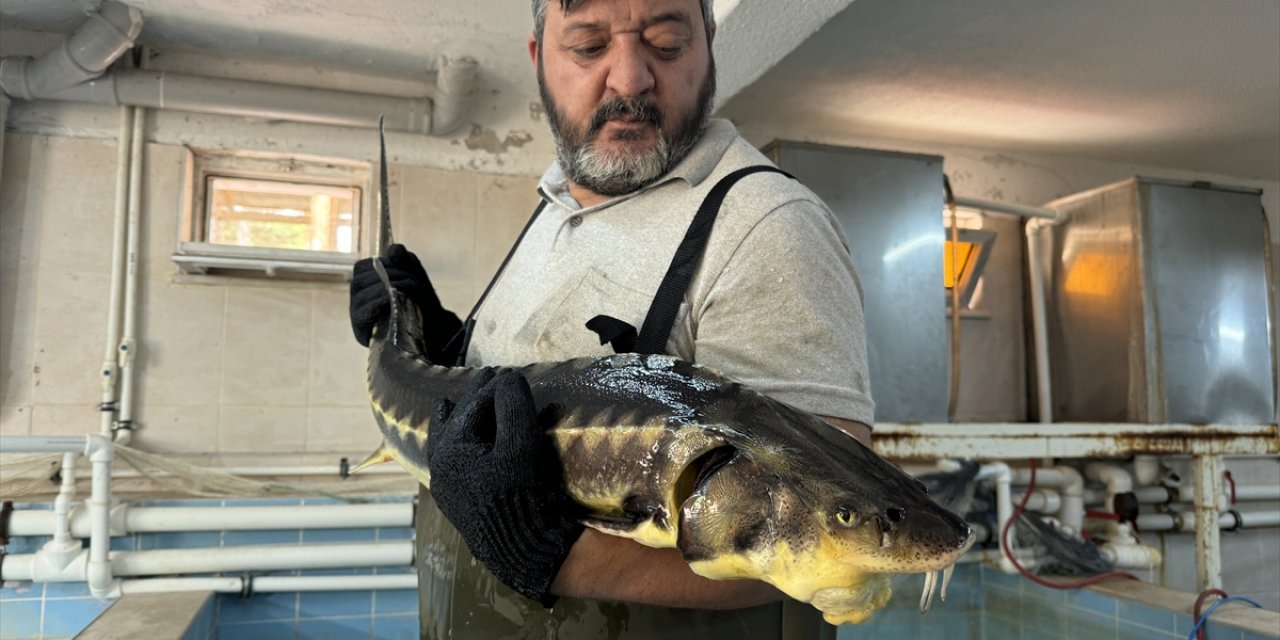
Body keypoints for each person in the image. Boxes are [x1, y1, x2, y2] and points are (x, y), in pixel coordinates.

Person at [349, 0, 875, 636]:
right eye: (589, 46)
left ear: (709, 43)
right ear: (539, 56)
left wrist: (555, 553)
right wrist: (433, 341)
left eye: (666, 42)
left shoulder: (767, 225)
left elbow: (829, 536)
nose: (629, 80)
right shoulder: (553, 205)